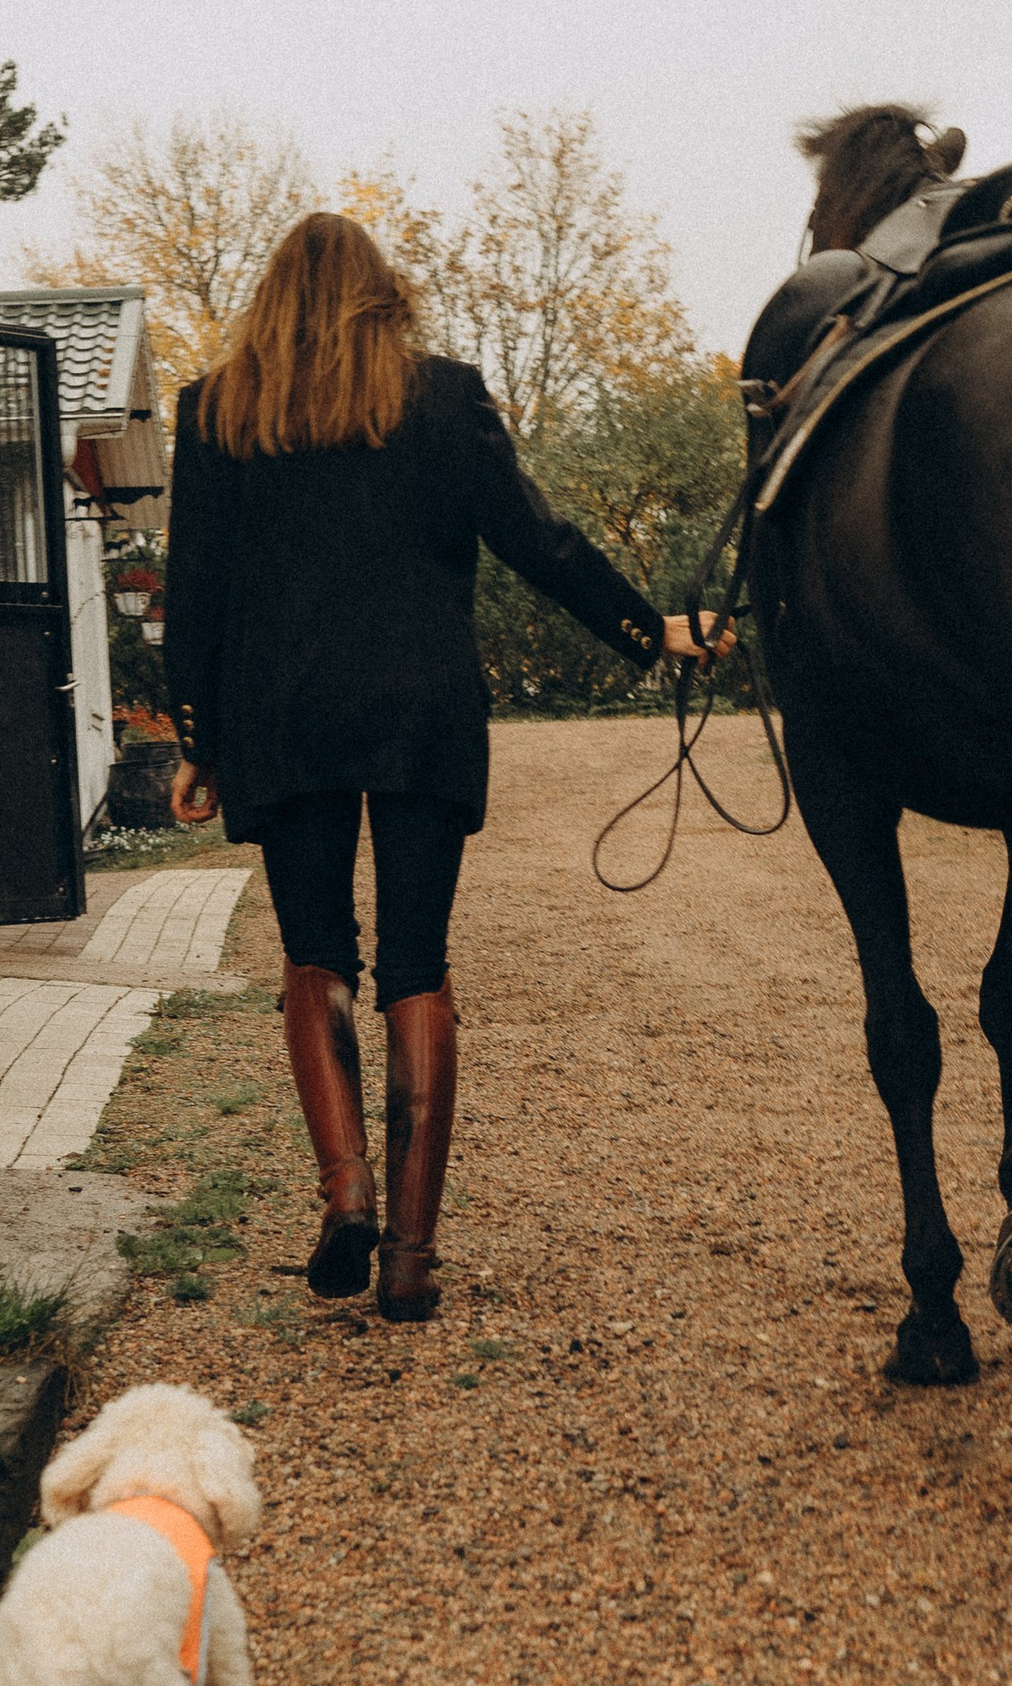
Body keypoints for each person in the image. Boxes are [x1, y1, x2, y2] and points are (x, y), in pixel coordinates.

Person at [161, 212, 718, 1324]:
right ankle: (410, 1257)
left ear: (274, 297)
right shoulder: (442, 396)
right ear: (381, 292)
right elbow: (537, 539)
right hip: (419, 710)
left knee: (315, 950)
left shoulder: (219, 409)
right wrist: (646, 629)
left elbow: (197, 587)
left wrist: (197, 739)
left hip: (283, 714)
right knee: (417, 957)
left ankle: (347, 1193)